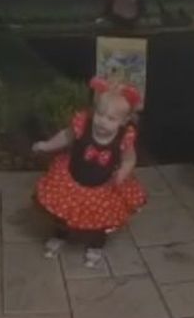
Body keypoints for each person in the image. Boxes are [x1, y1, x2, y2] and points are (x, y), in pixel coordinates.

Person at [31, 77, 147, 268]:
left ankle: (96, 245)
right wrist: (47, 145)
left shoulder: (124, 137)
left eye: (111, 119)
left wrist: (123, 173)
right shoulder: (82, 124)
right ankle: (60, 235)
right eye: (100, 114)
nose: (102, 122)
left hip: (103, 185)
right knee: (62, 211)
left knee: (100, 219)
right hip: (72, 180)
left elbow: (129, 159)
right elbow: (66, 136)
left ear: (124, 121)